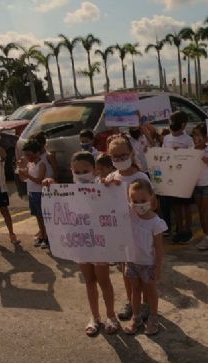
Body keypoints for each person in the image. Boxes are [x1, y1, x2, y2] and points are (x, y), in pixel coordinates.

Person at [44, 152, 120, 336]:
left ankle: (111, 315)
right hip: (81, 242)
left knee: (104, 280)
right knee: (89, 281)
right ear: (71, 171)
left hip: (99, 242)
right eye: (77, 171)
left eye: (85, 170)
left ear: (94, 169)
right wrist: (50, 185)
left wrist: (109, 185)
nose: (82, 174)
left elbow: (114, 197)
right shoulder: (68, 191)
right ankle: (94, 317)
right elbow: (58, 208)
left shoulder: (101, 186)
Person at [102, 135, 151, 322]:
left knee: (143, 271)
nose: (120, 160)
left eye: (123, 155)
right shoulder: (110, 177)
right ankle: (132, 301)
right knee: (126, 271)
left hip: (140, 232)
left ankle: (145, 303)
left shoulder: (141, 177)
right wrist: (104, 188)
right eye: (115, 157)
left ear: (131, 153)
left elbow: (152, 205)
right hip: (121, 233)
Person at [123, 178, 167, 335]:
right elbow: (111, 201)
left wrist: (158, 267)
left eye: (143, 200)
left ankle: (153, 317)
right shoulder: (129, 213)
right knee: (135, 290)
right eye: (134, 200)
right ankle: (136, 317)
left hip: (148, 263)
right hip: (132, 261)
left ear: (151, 198)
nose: (139, 204)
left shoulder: (156, 222)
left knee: (150, 291)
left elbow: (159, 248)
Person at [162, 111, 195, 244]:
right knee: (176, 205)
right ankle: (179, 229)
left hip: (185, 177)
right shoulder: (166, 138)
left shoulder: (188, 139)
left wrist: (181, 154)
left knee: (185, 206)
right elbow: (163, 154)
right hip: (172, 177)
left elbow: (193, 157)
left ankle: (187, 230)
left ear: (183, 125)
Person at [18, 139, 50, 249]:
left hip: (40, 193)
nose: (28, 157)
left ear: (37, 153)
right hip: (31, 193)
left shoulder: (42, 164)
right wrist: (21, 169)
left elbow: (39, 180)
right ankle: (42, 235)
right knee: (37, 217)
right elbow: (23, 179)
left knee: (43, 217)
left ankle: (47, 237)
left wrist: (27, 174)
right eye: (26, 155)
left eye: (29, 154)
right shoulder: (30, 164)